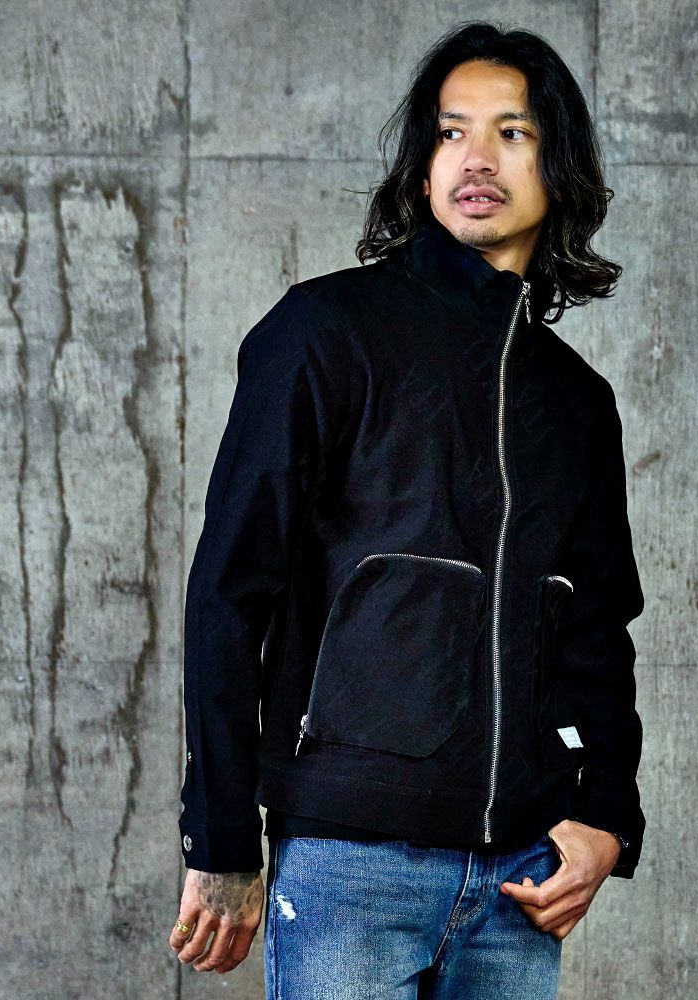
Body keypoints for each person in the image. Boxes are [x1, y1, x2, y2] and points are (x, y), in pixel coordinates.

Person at [168, 20, 646, 999]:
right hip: (349, 860)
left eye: (512, 131)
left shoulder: (575, 401)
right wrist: (220, 837)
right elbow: (229, 594)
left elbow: (597, 627)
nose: (477, 157)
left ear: (557, 165)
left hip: (521, 877)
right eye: (450, 130)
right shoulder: (323, 331)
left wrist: (606, 815)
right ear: (421, 167)